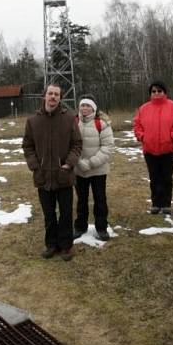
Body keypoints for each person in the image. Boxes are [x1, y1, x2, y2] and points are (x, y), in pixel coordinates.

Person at [23, 83, 83, 261]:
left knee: (65, 213)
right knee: (49, 214)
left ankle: (65, 246)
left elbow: (77, 144)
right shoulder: (33, 121)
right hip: (43, 176)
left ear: (60, 98)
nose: (53, 97)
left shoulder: (69, 118)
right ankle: (51, 244)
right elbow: (28, 146)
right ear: (44, 96)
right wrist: (35, 166)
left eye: (57, 94)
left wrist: (68, 165)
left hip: (63, 176)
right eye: (50, 93)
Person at [133, 80, 173, 214]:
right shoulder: (143, 108)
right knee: (154, 177)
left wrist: (172, 136)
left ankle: (166, 204)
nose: (156, 93)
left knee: (167, 178)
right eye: (154, 91)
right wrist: (143, 137)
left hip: (168, 149)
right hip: (150, 150)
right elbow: (137, 125)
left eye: (159, 91)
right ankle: (156, 204)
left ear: (165, 92)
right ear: (150, 93)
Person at [72, 95, 115, 241]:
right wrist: (78, 162)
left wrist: (90, 163)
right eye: (82, 105)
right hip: (78, 170)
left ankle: (101, 228)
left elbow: (107, 147)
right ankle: (80, 227)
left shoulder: (102, 123)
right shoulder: (73, 122)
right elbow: (69, 145)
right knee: (81, 200)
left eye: (88, 105)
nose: (84, 108)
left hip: (98, 170)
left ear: (94, 108)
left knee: (100, 199)